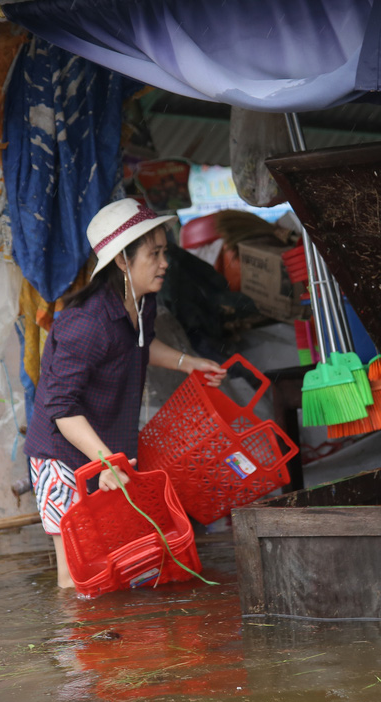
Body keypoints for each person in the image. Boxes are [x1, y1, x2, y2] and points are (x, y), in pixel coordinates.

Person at [23, 198, 227, 588]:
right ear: (122, 261)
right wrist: (105, 463)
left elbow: (140, 346)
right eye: (154, 254)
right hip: (62, 455)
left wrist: (189, 363)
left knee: (119, 555)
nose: (164, 262)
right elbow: (62, 410)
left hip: (108, 451)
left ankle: (117, 642)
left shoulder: (141, 304)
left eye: (165, 252)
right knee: (75, 573)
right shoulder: (84, 324)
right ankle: (77, 647)